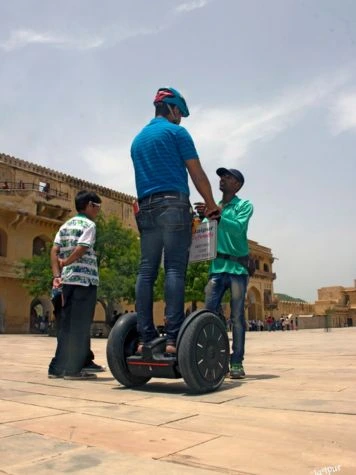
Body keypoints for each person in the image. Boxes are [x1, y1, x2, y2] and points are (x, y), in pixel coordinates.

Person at [131, 87, 219, 354]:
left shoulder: (137, 140)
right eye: (180, 112)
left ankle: (145, 337)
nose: (180, 117)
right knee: (174, 269)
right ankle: (172, 338)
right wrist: (212, 204)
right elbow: (197, 173)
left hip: (145, 207)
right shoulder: (177, 133)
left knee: (146, 270)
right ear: (172, 108)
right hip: (173, 204)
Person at [201, 168, 253, 379]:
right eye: (221, 177)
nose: (222, 180)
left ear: (237, 184)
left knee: (238, 317)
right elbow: (205, 234)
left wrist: (218, 214)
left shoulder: (244, 205)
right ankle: (214, 357)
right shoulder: (216, 208)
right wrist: (202, 217)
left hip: (237, 269)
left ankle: (237, 362)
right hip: (217, 268)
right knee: (208, 314)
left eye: (228, 177)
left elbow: (238, 229)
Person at [48, 190, 102, 380]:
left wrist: (57, 275)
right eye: (97, 207)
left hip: (67, 282)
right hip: (84, 281)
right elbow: (82, 248)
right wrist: (68, 261)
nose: (98, 211)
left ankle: (56, 368)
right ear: (89, 205)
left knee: (66, 326)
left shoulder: (65, 226)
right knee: (80, 326)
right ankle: (72, 370)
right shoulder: (89, 225)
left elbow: (54, 250)